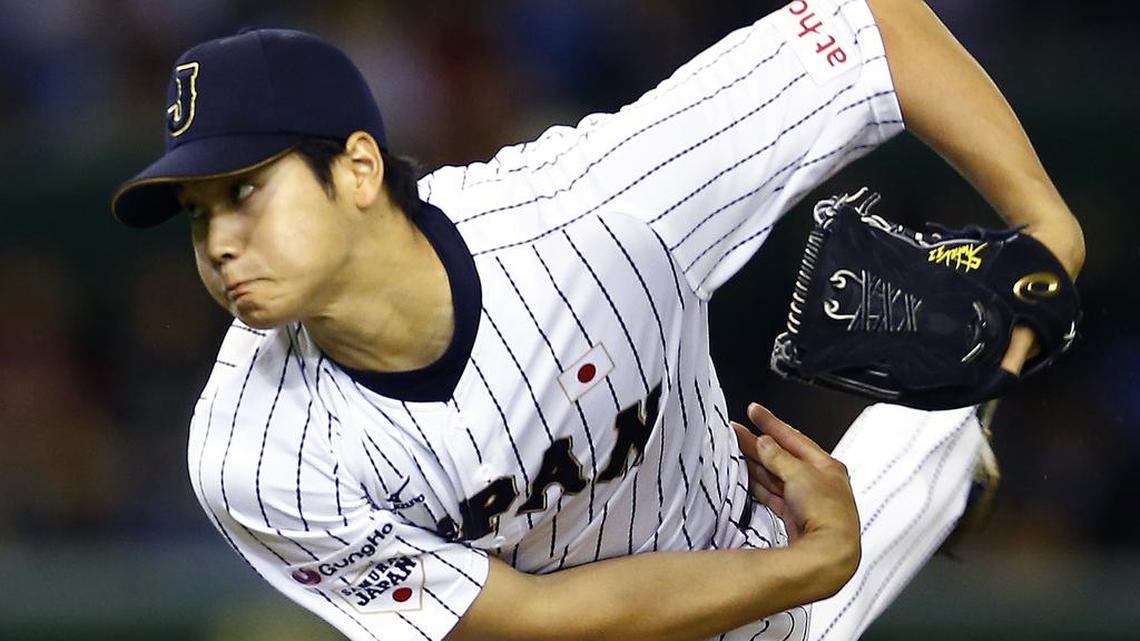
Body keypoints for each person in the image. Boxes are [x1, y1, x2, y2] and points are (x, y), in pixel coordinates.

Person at [111, 1, 1084, 639]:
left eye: (245, 190)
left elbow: (872, 27)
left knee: (953, 382)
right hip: (720, 594)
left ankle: (948, 435)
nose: (219, 241)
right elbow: (533, 619)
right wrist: (812, 568)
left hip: (748, 573)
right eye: (197, 213)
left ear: (359, 168)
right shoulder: (253, 451)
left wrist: (1047, 227)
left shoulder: (596, 207)